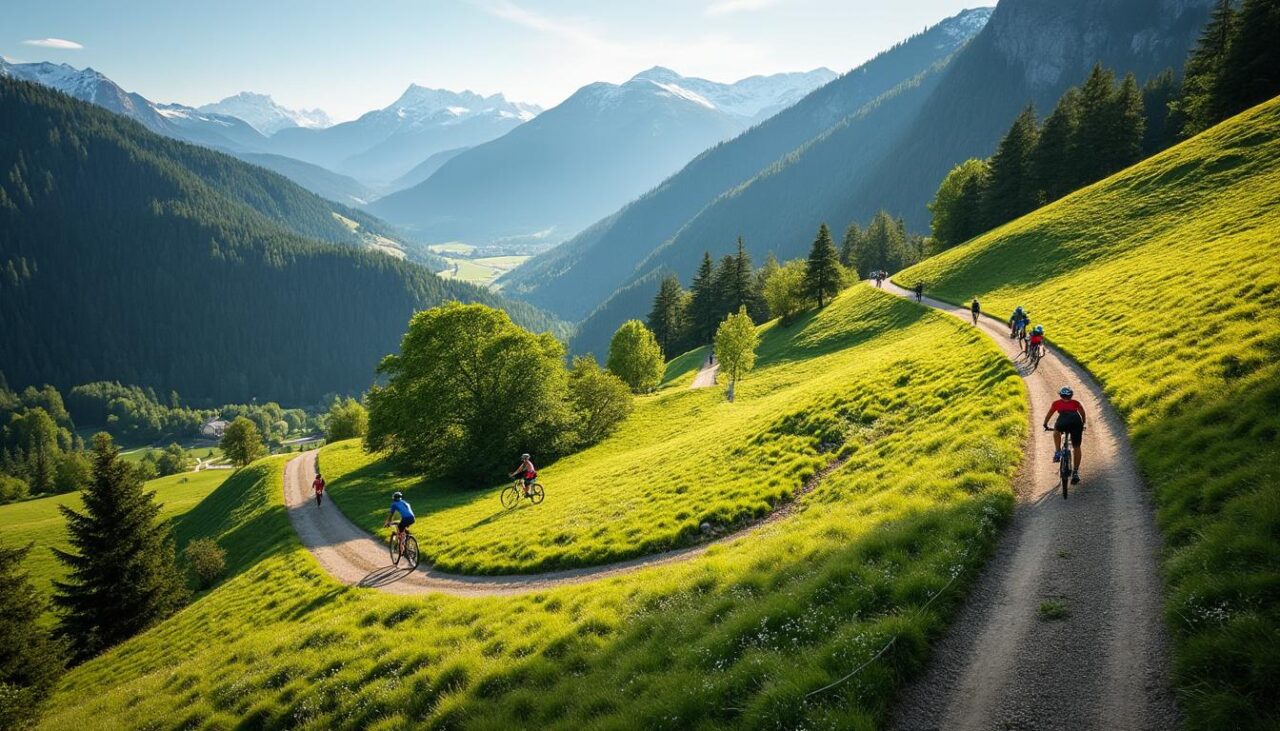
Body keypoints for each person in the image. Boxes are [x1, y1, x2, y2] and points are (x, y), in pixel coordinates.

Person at [1044, 386, 1086, 483]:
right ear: (1071, 395)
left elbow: (1049, 413)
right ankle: (1075, 472)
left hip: (1062, 422)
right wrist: (1083, 423)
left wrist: (1045, 424)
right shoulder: (1076, 403)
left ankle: (1058, 452)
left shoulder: (1056, 403)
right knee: (1076, 447)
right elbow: (1083, 413)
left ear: (1060, 395)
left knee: (1056, 431)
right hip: (1076, 422)